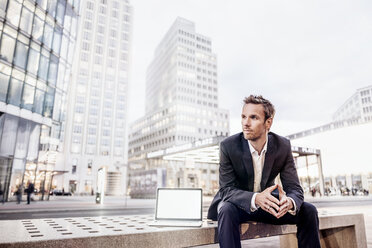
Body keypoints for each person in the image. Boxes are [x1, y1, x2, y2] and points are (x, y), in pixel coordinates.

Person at [207, 95, 320, 248]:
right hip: (238, 206)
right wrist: (256, 198)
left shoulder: (282, 145)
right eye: (243, 117)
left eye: (253, 117)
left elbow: (295, 189)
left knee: (308, 210)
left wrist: (289, 202)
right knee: (226, 209)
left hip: (268, 206)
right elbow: (226, 190)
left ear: (268, 122)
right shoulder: (228, 146)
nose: (246, 123)